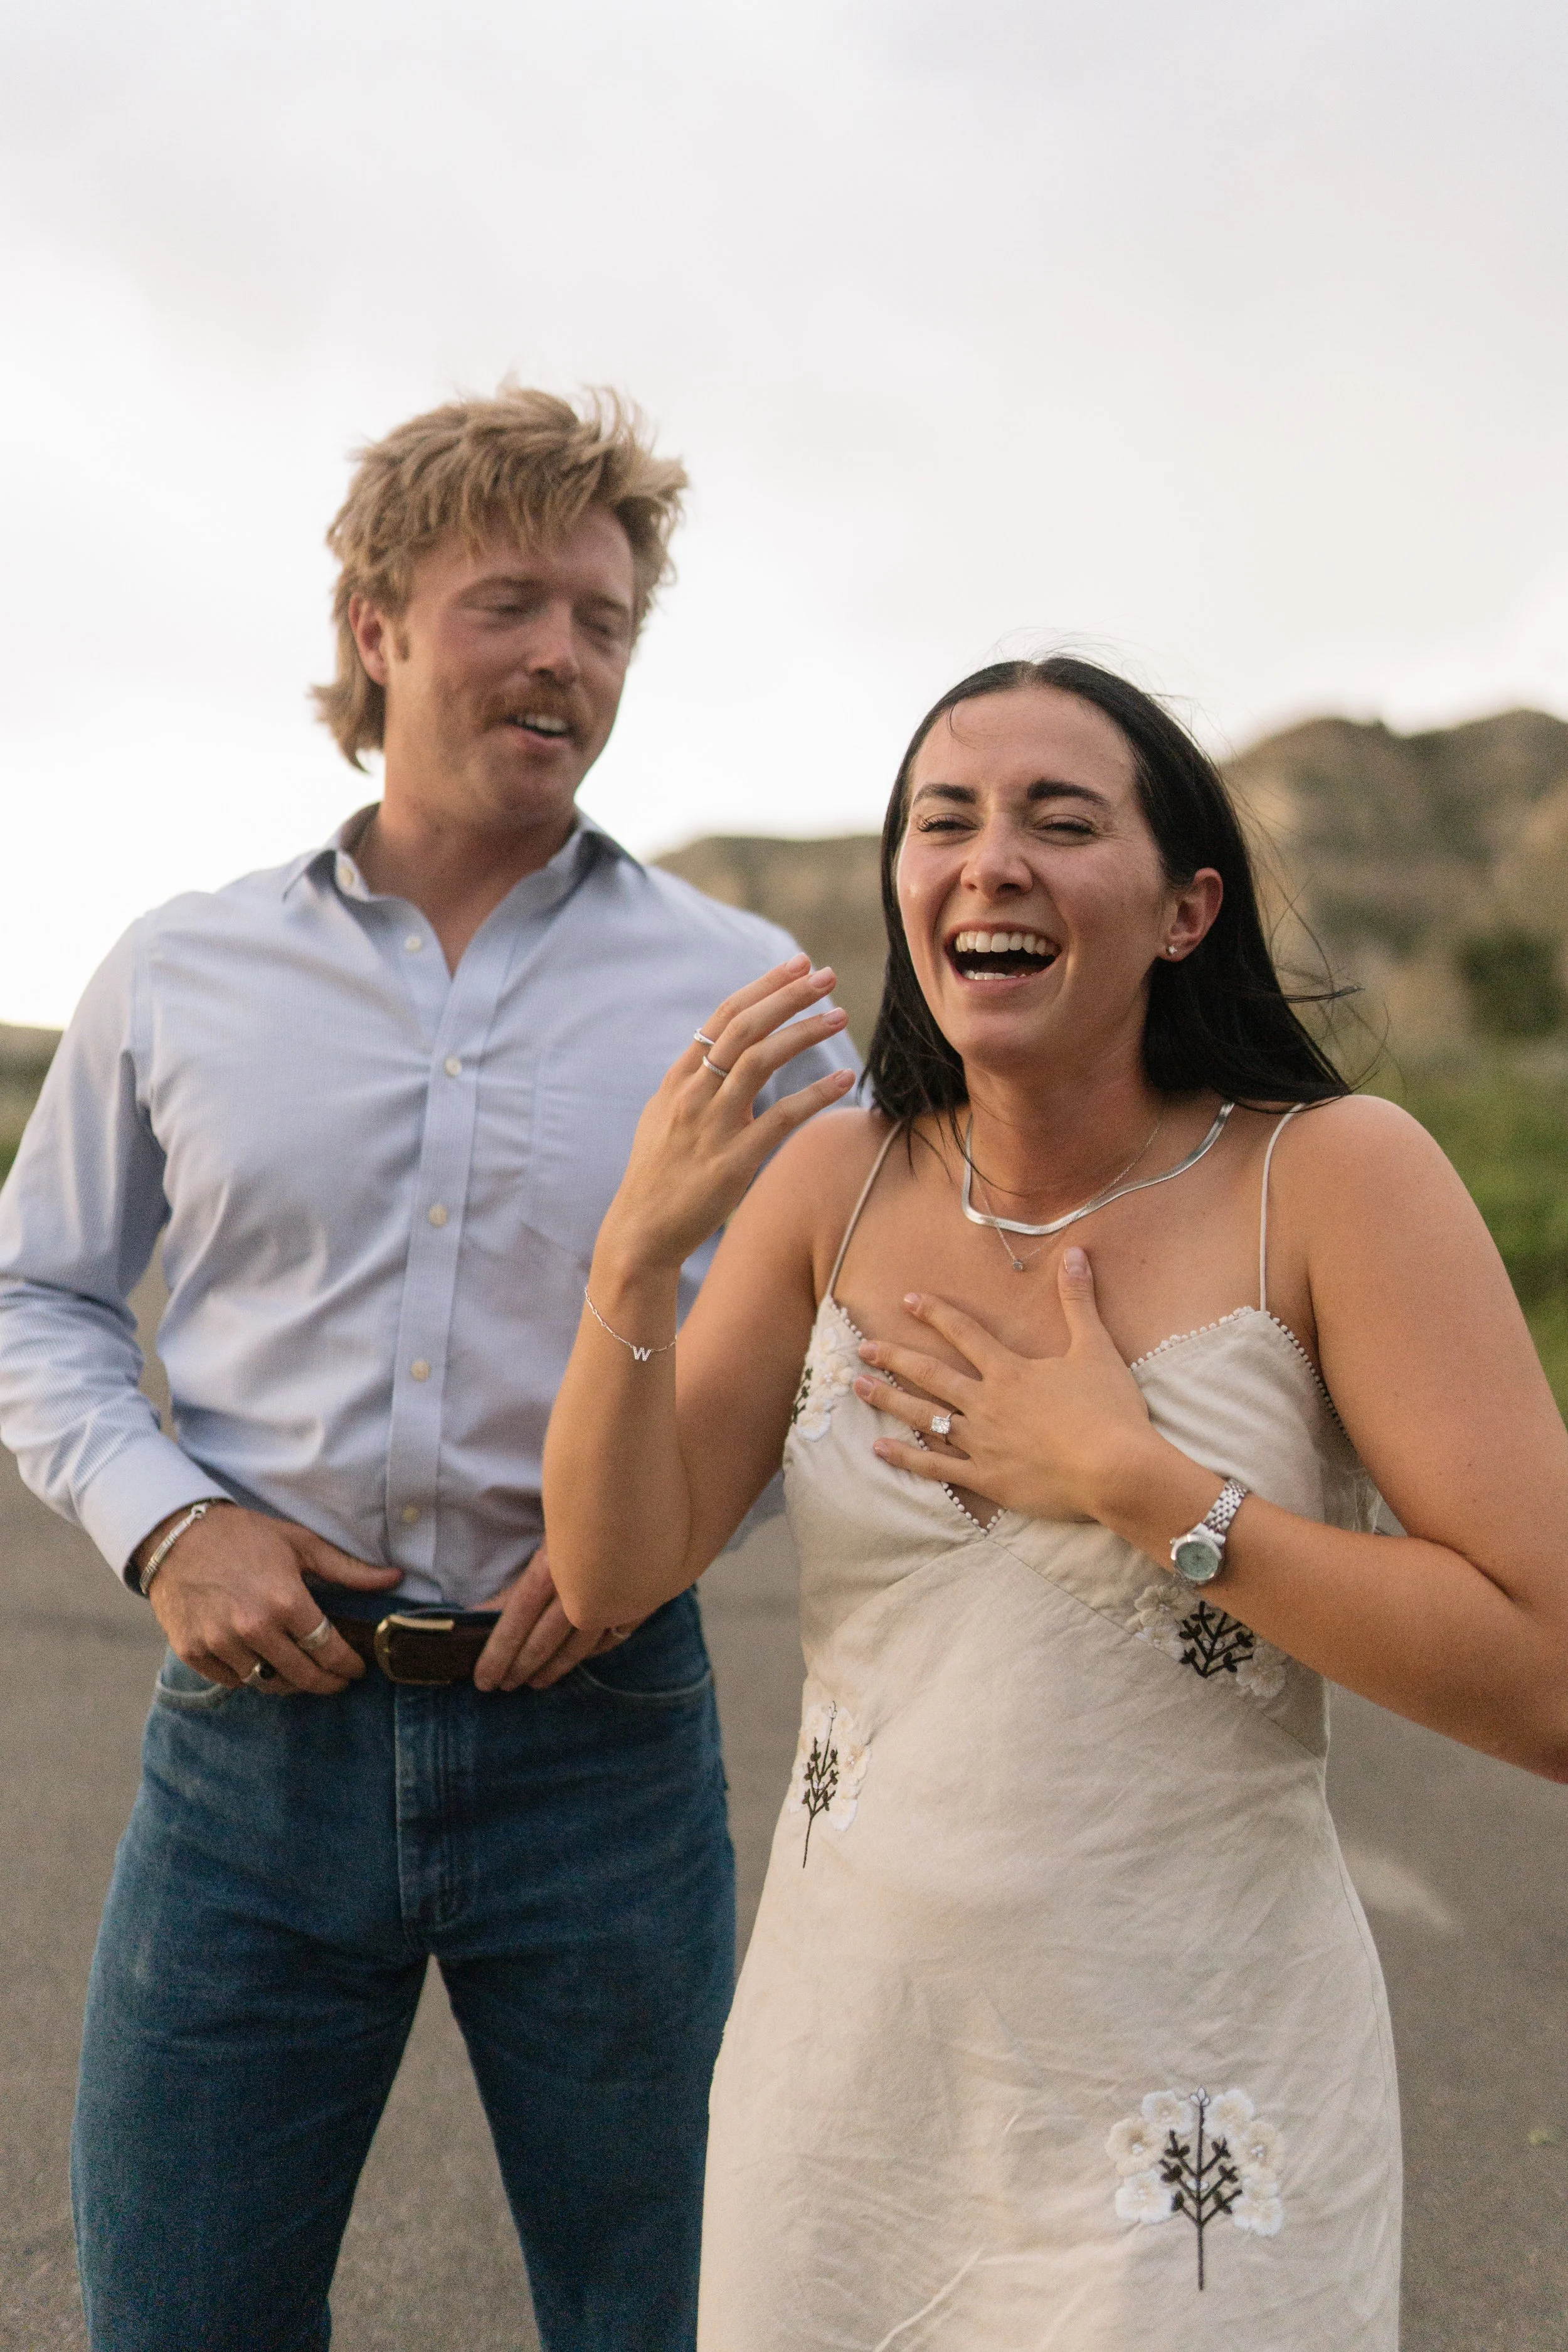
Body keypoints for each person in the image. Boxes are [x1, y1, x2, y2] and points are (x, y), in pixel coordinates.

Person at [542, 654, 1568, 2349]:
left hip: (1193, 2114)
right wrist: (637, 1253)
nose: (988, 858)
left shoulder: (1328, 1177)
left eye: (1058, 820)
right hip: (848, 2094)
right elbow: (613, 1565)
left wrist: (1140, 1480)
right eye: (943, 820)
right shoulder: (831, 1176)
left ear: (1184, 908)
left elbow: (1547, 1674)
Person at [0, 385, 857, 2352]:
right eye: (510, 603)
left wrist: (662, 1522)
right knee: (181, 2315)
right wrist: (169, 1525)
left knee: (670, 2314)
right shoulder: (180, 968)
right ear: (376, 626)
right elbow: (35, 1296)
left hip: (605, 1745)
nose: (564, 653)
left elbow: (824, 1327)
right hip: (254, 1748)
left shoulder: (741, 995)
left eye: (606, 619)